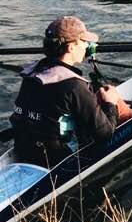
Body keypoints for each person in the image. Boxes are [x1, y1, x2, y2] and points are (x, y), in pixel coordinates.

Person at [10, 16, 124, 168]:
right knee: (118, 108)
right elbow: (104, 134)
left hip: (25, 151)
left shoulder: (32, 74)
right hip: (58, 160)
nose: (87, 46)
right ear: (71, 47)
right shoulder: (75, 85)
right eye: (84, 42)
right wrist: (111, 103)